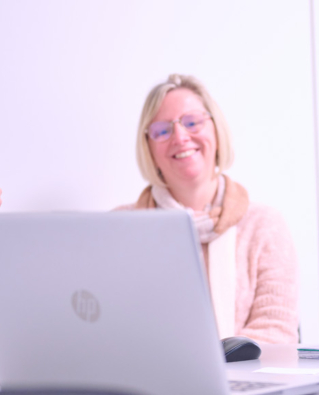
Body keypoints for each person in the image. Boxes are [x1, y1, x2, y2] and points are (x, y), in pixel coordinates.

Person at [119, 74, 298, 344]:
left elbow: (276, 334)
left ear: (216, 130)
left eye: (192, 122)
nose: (180, 136)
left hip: (245, 382)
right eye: (163, 130)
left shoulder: (263, 226)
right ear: (149, 147)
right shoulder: (120, 228)